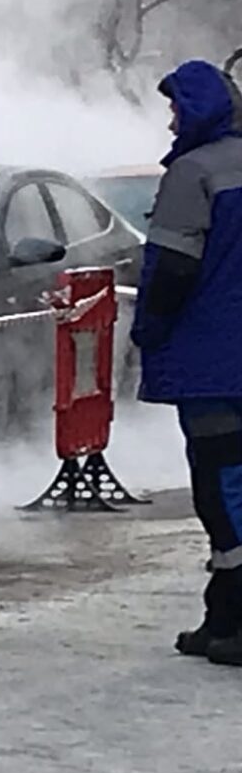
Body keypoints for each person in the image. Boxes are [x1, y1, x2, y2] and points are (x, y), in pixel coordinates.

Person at [127, 60, 242, 662]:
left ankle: (235, 620)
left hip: (213, 363)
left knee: (222, 485)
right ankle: (222, 616)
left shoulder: (192, 174)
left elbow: (171, 269)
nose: (171, 121)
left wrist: (149, 330)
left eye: (175, 109)